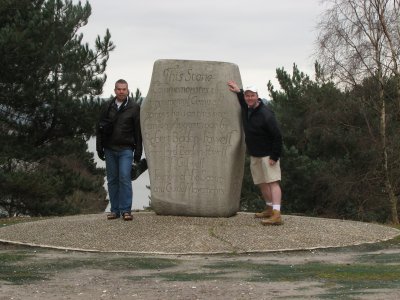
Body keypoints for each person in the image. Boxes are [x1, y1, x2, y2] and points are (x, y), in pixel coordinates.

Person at [227, 80, 283, 225]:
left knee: (273, 182)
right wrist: (238, 91)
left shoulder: (266, 114)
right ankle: (270, 208)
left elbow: (277, 136)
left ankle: (277, 214)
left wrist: (274, 156)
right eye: (247, 95)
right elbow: (242, 100)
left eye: (252, 95)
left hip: (268, 155)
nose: (249, 98)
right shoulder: (247, 109)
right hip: (255, 154)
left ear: (257, 96)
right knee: (262, 183)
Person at [96, 79, 143, 221]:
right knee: (112, 180)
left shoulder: (134, 107)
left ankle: (126, 211)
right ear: (115, 90)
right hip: (109, 148)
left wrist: (138, 153)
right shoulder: (107, 106)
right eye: (119, 89)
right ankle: (115, 210)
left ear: (127, 90)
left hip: (126, 149)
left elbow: (138, 132)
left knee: (124, 177)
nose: (121, 91)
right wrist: (99, 148)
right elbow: (99, 128)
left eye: (124, 89)